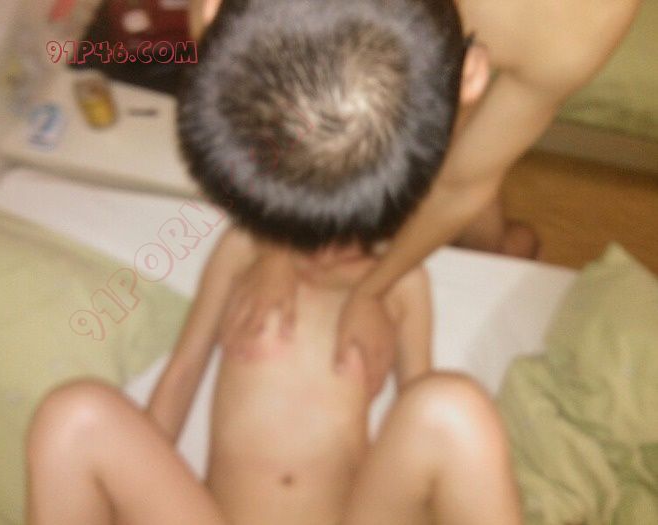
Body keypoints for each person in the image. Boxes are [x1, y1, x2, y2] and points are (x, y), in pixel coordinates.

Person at [26, 1, 522, 523]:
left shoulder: (401, 282)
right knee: (73, 418)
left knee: (452, 409)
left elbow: (414, 420)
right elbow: (183, 373)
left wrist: (369, 291)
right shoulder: (242, 248)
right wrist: (137, 491)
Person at [190, 0, 644, 394]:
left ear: (468, 76)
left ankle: (500, 247)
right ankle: (502, 246)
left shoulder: (573, 24)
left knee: (477, 201)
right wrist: (275, 250)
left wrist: (372, 290)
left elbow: (461, 185)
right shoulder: (229, 20)